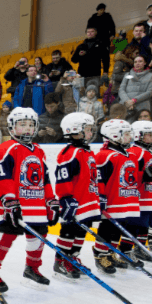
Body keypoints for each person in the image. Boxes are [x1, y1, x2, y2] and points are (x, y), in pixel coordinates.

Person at [0, 108, 57, 291]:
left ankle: (32, 269)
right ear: (11, 127)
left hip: (37, 206)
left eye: (30, 125)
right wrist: (9, 200)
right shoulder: (5, 149)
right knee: (6, 236)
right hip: (13, 206)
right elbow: (0, 179)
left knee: (38, 237)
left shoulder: (38, 150)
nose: (27, 129)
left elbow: (45, 179)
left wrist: (51, 200)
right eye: (22, 125)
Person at [52, 112, 101, 281]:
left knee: (81, 231)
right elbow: (63, 178)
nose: (90, 133)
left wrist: (97, 196)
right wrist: (65, 198)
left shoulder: (86, 152)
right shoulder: (70, 153)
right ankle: (61, 261)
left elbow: (92, 177)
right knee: (69, 231)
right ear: (74, 130)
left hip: (88, 201)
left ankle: (72, 258)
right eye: (87, 129)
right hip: (75, 202)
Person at [91, 119, 141, 274]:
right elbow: (99, 179)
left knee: (116, 230)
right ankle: (100, 255)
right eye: (125, 134)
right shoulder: (104, 155)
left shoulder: (129, 154)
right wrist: (101, 199)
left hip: (124, 200)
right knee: (106, 229)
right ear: (113, 135)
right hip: (111, 201)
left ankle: (111, 253)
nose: (129, 137)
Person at [127, 120, 152, 262]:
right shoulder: (136, 152)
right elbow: (130, 175)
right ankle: (127, 251)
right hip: (139, 197)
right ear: (138, 135)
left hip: (148, 195)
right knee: (134, 225)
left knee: (144, 225)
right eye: (149, 134)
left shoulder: (148, 152)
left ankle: (140, 248)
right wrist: (146, 174)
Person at [118, 55, 152, 122]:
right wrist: (127, 101)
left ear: (145, 63)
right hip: (127, 106)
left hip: (142, 106)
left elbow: (149, 92)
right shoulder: (127, 75)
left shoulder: (151, 75)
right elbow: (121, 90)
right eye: (135, 62)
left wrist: (134, 100)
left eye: (140, 61)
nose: (137, 63)